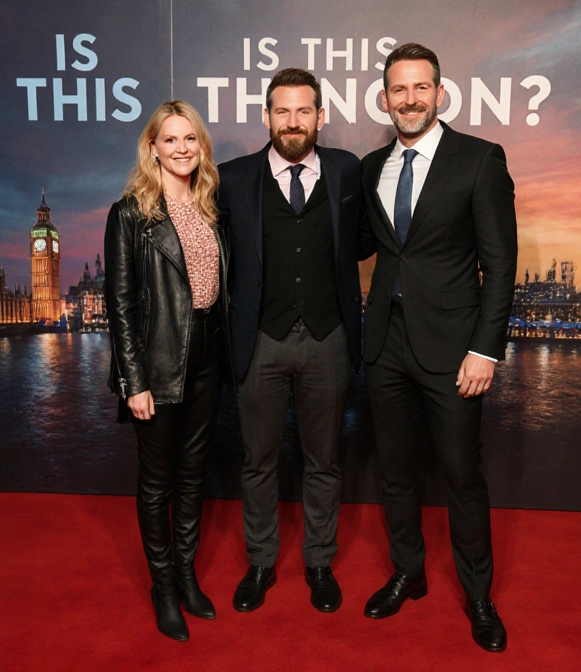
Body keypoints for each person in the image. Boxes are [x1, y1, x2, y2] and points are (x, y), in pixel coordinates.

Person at [360, 43, 515, 652]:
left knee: (460, 476)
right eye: (398, 90)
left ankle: (479, 597)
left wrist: (486, 349)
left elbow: (500, 267)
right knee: (396, 474)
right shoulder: (373, 167)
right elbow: (369, 247)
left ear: (440, 93)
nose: (410, 99)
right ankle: (409, 572)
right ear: (385, 99)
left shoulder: (479, 160)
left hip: (455, 350)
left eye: (420, 88)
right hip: (385, 347)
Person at [216, 68, 371, 614]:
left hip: (329, 339)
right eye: (282, 111)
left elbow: (364, 241)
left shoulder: (346, 171)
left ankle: (319, 562)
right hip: (259, 340)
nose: (293, 121)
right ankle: (260, 563)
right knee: (258, 460)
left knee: (323, 461)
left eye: (304, 110)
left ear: (320, 116)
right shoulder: (233, 178)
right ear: (266, 117)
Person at [104, 100, 229, 642]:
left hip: (209, 356)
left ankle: (185, 574)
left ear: (200, 146)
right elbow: (120, 304)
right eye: (170, 139)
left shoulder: (210, 206)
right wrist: (134, 381)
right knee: (157, 483)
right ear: (152, 147)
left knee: (194, 474)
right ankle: (162, 587)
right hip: (156, 360)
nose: (182, 148)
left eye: (190, 139)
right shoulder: (130, 212)